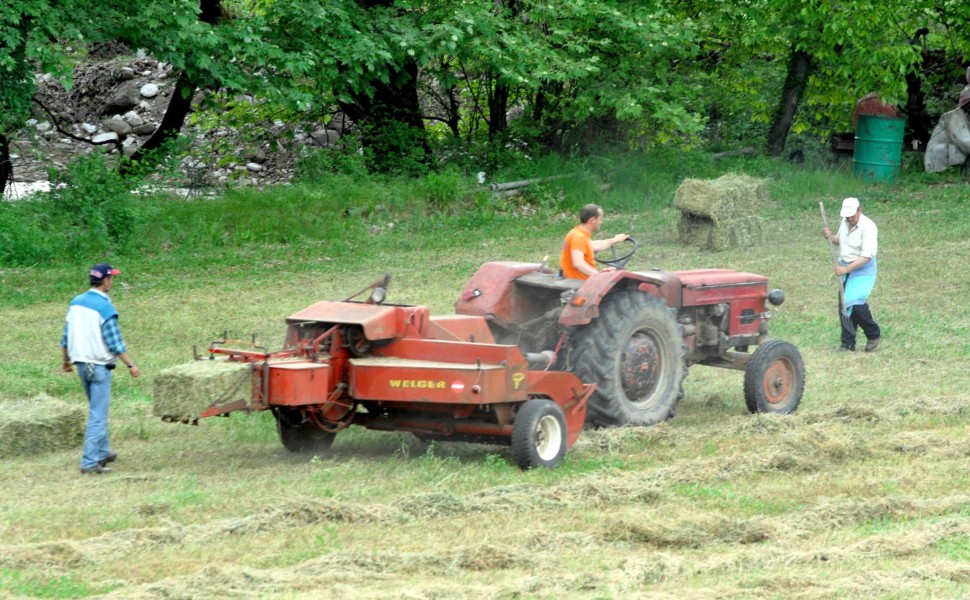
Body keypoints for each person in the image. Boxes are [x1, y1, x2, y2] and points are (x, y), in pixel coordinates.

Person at [61, 262, 141, 474]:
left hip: (80, 364)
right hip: (98, 367)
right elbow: (114, 342)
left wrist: (66, 360)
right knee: (98, 415)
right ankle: (89, 462)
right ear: (105, 281)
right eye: (111, 278)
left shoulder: (76, 303)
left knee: (96, 409)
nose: (112, 281)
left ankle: (103, 452)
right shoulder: (105, 307)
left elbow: (66, 336)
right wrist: (131, 364)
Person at [823, 198, 881, 352]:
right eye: (847, 216)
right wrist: (830, 237)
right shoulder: (845, 222)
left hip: (863, 269)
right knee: (844, 306)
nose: (850, 219)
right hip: (846, 267)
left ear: (859, 210)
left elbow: (867, 256)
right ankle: (848, 344)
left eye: (852, 216)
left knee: (855, 303)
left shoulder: (868, 227)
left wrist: (847, 269)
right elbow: (840, 241)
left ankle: (873, 334)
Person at [560, 204, 629, 280]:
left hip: (581, 280)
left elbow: (594, 245)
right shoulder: (579, 237)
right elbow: (578, 263)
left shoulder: (576, 233)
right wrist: (599, 276)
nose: (601, 222)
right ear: (593, 220)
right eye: (600, 219)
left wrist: (615, 240)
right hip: (580, 284)